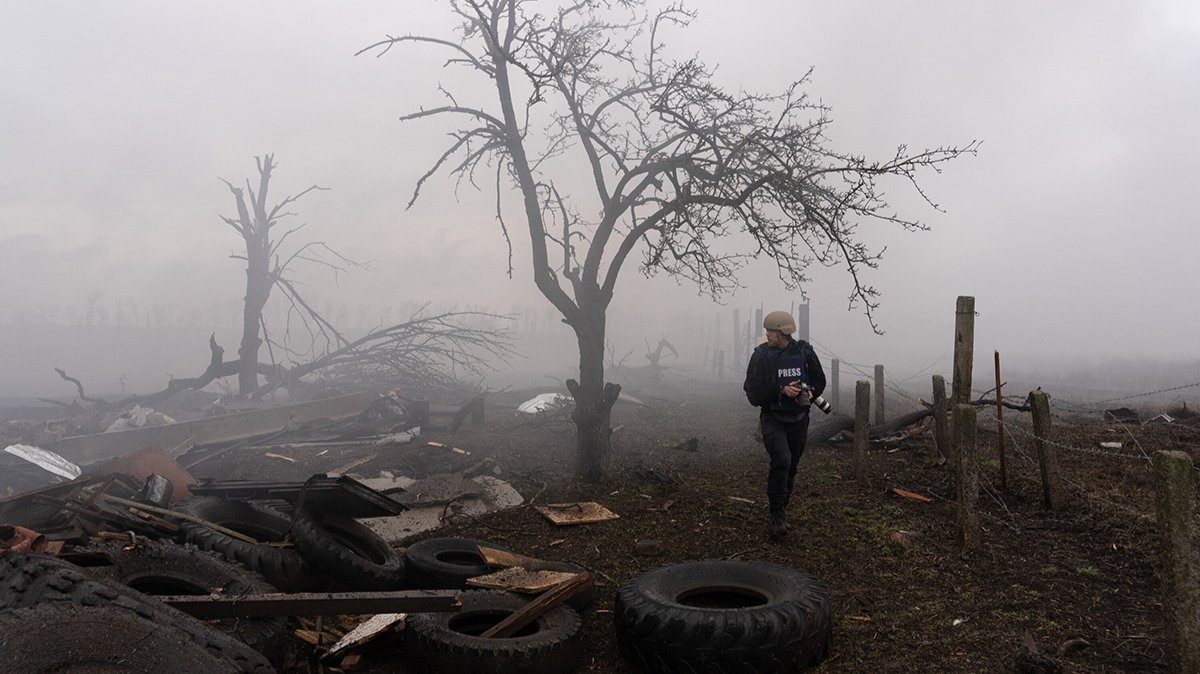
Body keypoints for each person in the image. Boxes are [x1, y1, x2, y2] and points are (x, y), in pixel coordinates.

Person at [743, 310, 826, 539]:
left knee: (792, 465)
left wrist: (810, 392)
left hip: (799, 419)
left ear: (784, 332)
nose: (767, 334)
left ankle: (782, 504)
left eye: (771, 331)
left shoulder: (804, 352)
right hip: (772, 418)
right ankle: (776, 515)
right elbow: (752, 392)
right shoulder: (760, 356)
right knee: (782, 459)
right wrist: (779, 390)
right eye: (767, 330)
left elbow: (820, 381)